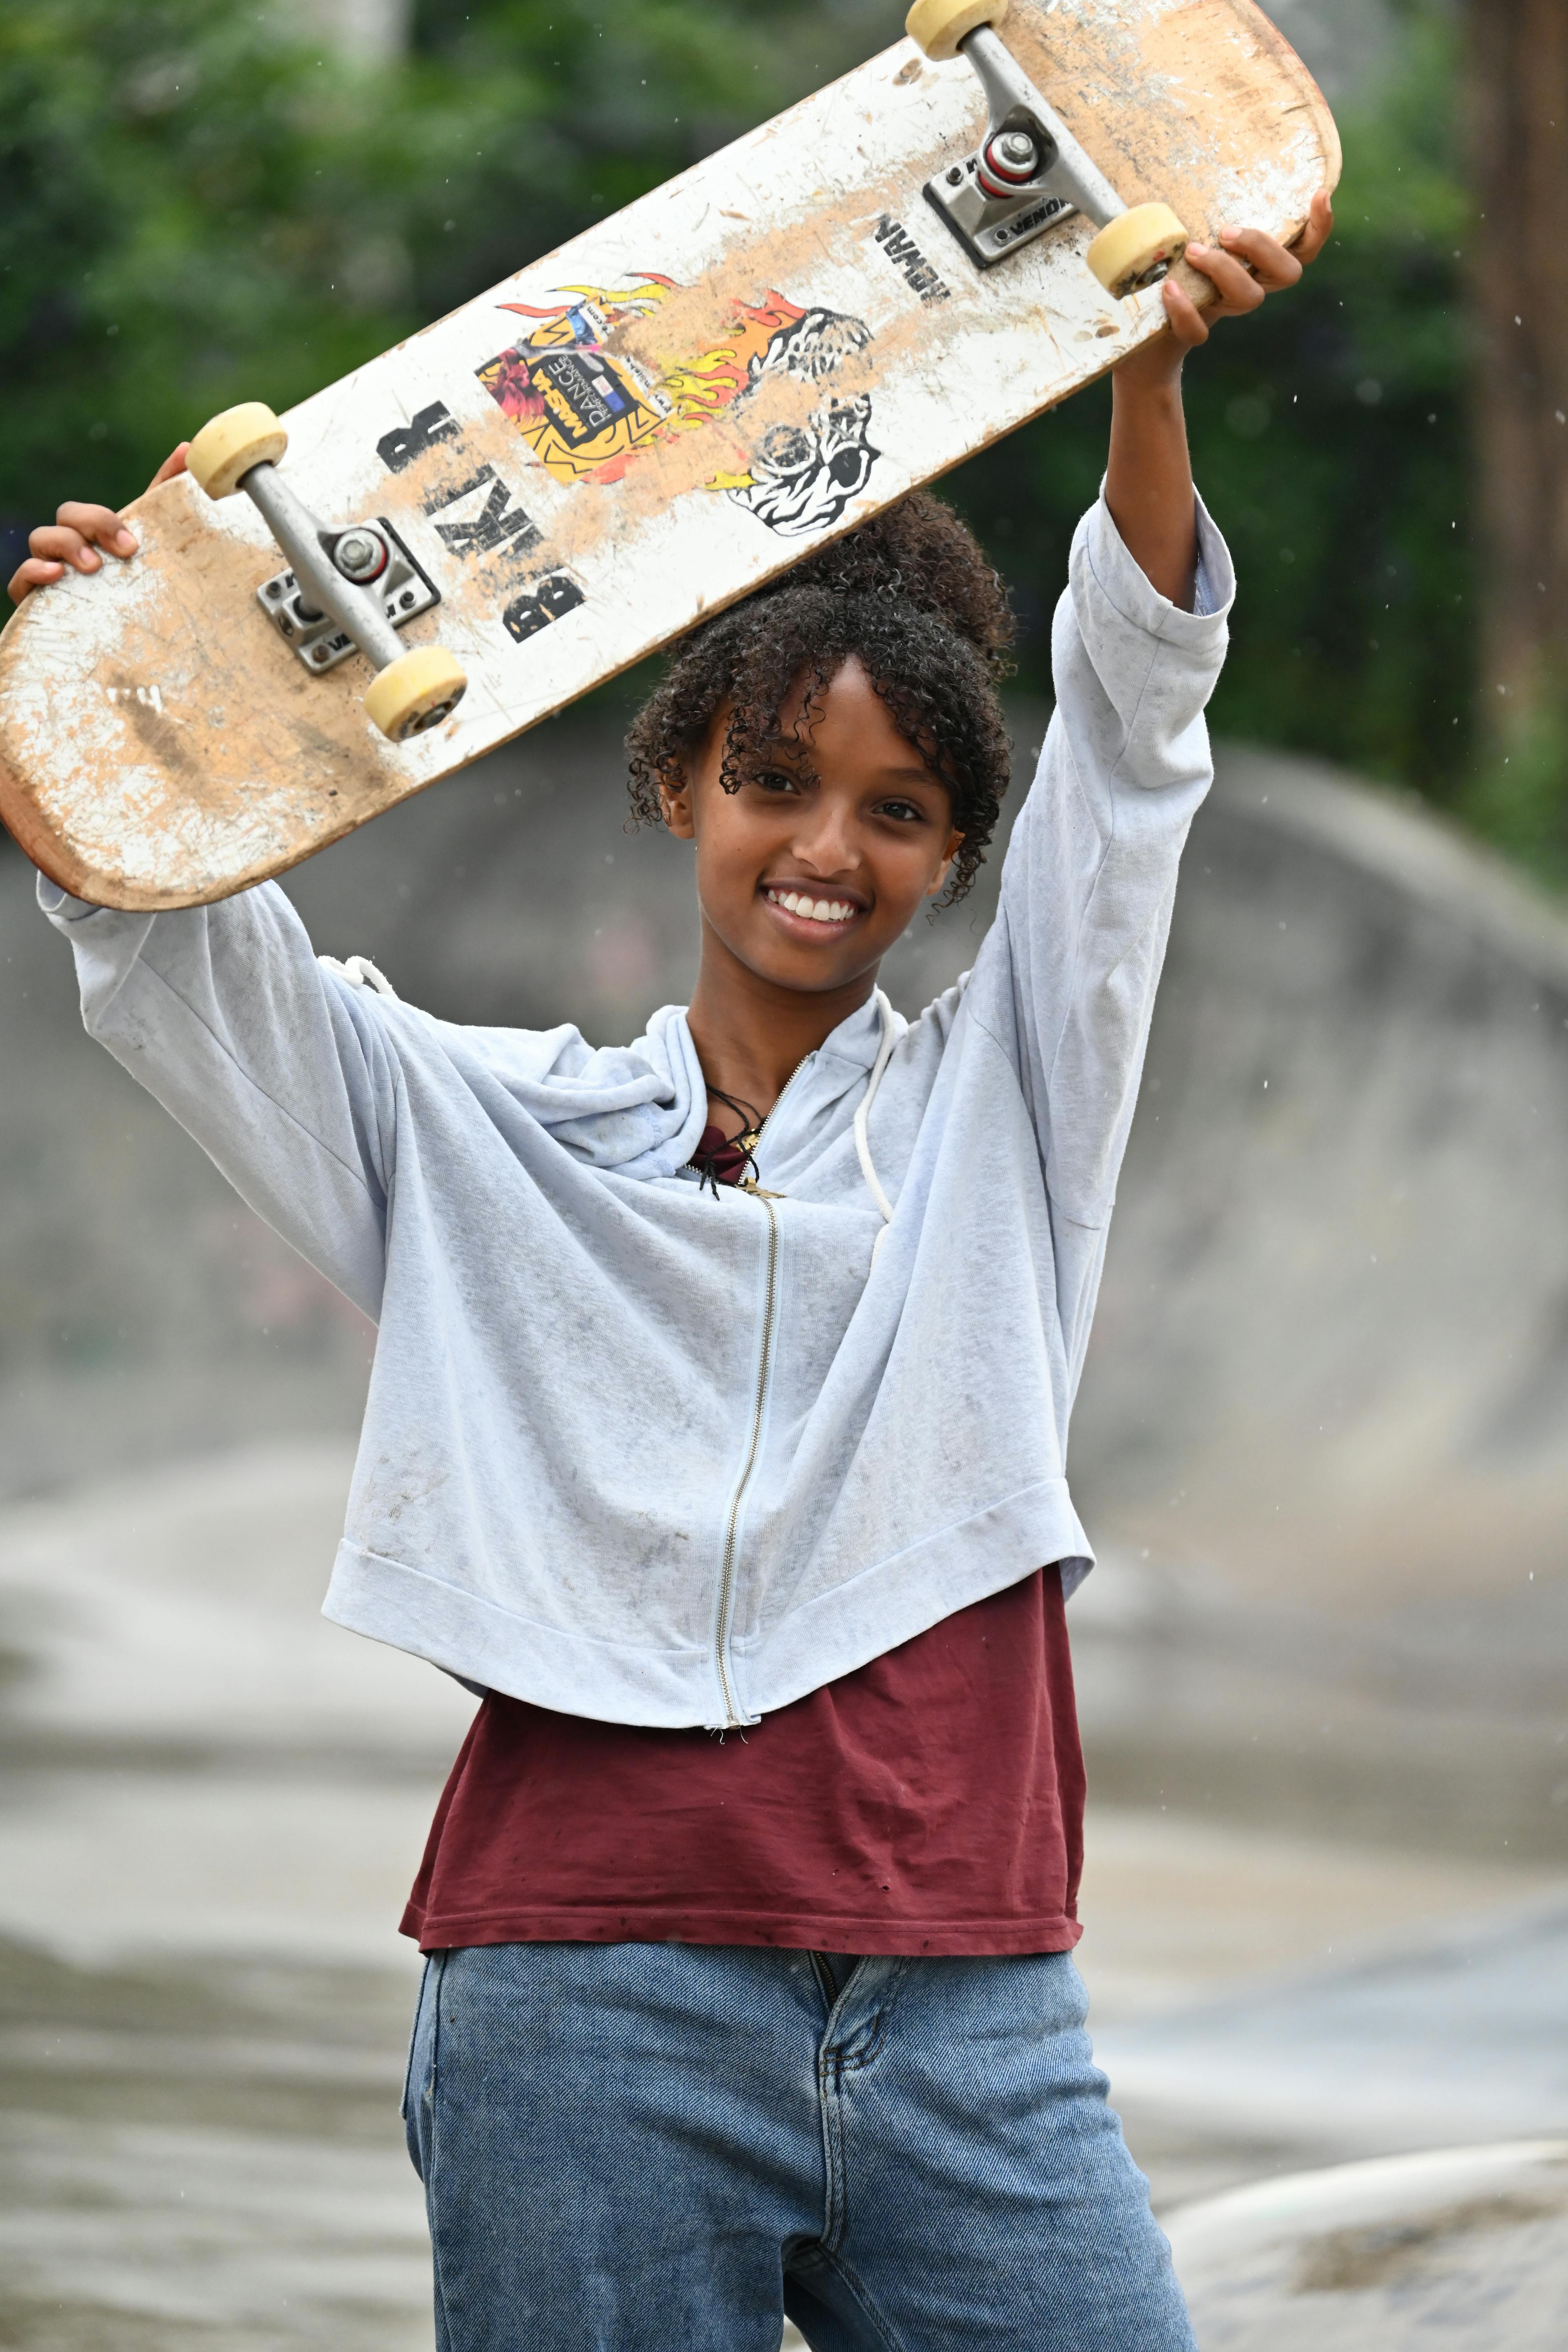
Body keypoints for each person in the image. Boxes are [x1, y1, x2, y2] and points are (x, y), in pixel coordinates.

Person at [10, 194, 1333, 2351]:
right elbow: (171, 953)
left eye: (900, 811)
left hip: (963, 2005)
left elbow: (1135, 740)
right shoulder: (479, 1126)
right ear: (682, 783)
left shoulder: (1011, 1111)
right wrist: (107, 679)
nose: (829, 850)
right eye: (776, 783)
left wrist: (1147, 383)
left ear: (951, 851)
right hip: (580, 2002)